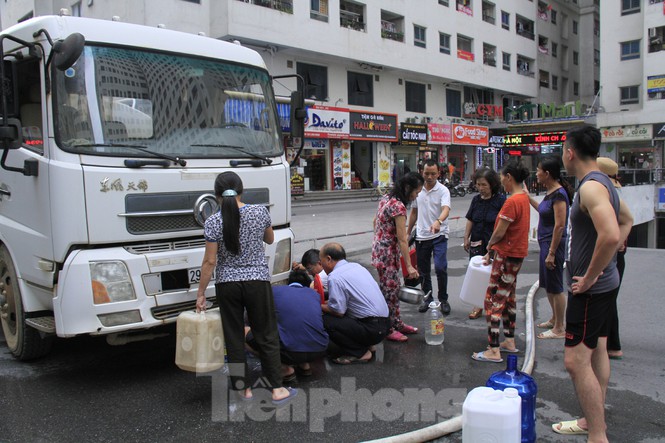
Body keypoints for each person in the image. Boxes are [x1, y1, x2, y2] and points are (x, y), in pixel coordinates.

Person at [551, 126, 633, 441]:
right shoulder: (605, 184)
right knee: (597, 349)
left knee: (574, 361)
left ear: (570, 153)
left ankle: (597, 434)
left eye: (562, 150)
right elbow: (625, 221)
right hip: (605, 284)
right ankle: (591, 422)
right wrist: (606, 262)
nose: (562, 155)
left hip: (591, 289)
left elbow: (612, 234)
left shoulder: (590, 188)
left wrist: (590, 275)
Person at [195, 171, 296, 404]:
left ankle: (243, 389)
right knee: (266, 334)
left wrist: (201, 294)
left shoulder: (212, 221)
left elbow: (210, 261)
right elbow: (270, 240)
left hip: (227, 284)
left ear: (217, 194)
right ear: (242, 190)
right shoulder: (260, 212)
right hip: (257, 281)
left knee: (233, 336)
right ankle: (277, 390)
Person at [471, 159, 531, 364]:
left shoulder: (512, 201)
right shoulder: (523, 197)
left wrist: (489, 248)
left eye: (502, 177)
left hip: (506, 255)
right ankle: (509, 341)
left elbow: (499, 232)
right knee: (509, 299)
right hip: (515, 255)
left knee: (493, 301)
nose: (502, 181)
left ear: (509, 178)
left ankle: (494, 349)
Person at [246, 269, 328, 383]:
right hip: (320, 350)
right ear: (307, 284)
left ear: (288, 282)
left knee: (243, 333)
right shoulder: (314, 294)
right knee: (299, 327)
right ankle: (304, 366)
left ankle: (284, 368)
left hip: (291, 352)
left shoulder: (275, 291)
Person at [372, 172, 424, 342]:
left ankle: (397, 323)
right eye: (416, 192)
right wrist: (409, 266)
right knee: (389, 291)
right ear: (408, 188)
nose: (416, 196)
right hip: (387, 254)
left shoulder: (386, 198)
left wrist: (381, 238)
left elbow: (375, 221)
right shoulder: (398, 206)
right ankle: (388, 328)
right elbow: (403, 238)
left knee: (392, 289)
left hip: (380, 250)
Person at [320, 243, 391, 364]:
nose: (322, 267)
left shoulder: (335, 277)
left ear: (328, 259)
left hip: (372, 329)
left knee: (326, 320)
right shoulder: (357, 267)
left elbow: (338, 311)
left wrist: (318, 305)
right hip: (385, 324)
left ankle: (359, 352)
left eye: (321, 262)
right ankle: (367, 344)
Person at [526, 157, 573, 339]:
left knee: (555, 286)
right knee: (548, 284)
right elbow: (544, 211)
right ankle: (555, 318)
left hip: (554, 244)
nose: (536, 173)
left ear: (547, 174)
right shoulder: (551, 192)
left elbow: (559, 226)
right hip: (546, 242)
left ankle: (560, 328)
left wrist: (552, 253)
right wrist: (528, 197)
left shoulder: (559, 194)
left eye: (538, 170)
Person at [406, 160, 452, 316]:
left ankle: (443, 299)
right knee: (423, 270)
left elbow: (446, 209)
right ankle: (427, 298)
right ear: (422, 172)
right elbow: (414, 212)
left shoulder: (443, 190)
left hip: (439, 235)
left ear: (438, 173)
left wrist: (438, 221)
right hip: (421, 236)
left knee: (440, 267)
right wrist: (408, 232)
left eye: (433, 173)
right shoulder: (418, 191)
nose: (430, 177)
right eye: (427, 173)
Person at [463, 168, 506, 319]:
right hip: (476, 242)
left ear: (492, 185)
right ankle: (478, 304)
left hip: (493, 243)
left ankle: (494, 305)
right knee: (477, 275)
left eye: (484, 185)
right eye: (478, 184)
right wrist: (466, 237)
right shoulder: (476, 200)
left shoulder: (501, 200)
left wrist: (495, 245)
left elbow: (503, 224)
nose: (480, 188)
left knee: (494, 276)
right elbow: (470, 219)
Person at [597, 157, 628, 360]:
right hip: (615, 255)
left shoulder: (608, 196)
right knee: (608, 300)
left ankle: (610, 345)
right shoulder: (615, 193)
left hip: (611, 256)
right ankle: (610, 344)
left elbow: (613, 231)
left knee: (605, 300)